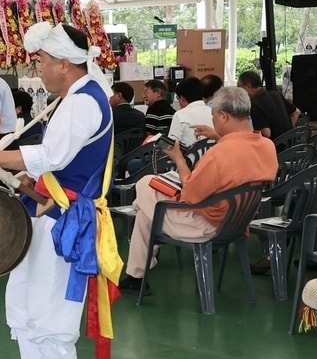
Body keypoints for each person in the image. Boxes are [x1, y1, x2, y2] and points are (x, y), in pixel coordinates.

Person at [0, 22, 121, 359]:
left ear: (64, 64)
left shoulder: (83, 102)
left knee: (51, 300)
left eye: (43, 62)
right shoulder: (75, 97)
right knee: (25, 291)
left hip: (67, 216)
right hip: (46, 206)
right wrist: (31, 174)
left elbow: (54, 155)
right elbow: (56, 160)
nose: (39, 70)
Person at [116, 86, 278, 293]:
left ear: (223, 115)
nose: (213, 122)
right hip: (237, 221)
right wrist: (219, 136)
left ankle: (137, 274)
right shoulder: (266, 146)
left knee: (145, 185)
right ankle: (135, 275)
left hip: (205, 224)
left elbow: (190, 194)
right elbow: (240, 159)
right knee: (151, 205)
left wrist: (178, 159)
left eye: (214, 117)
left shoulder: (220, 153)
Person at [239, 70, 293, 139]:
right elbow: (296, 112)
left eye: (239, 86)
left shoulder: (254, 104)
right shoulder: (276, 94)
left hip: (273, 147)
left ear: (248, 86)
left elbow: (266, 133)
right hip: (291, 145)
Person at [168, 77, 213, 147]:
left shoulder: (180, 115)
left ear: (182, 98)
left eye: (178, 98)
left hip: (188, 157)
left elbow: (172, 144)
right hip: (213, 155)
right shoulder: (213, 112)